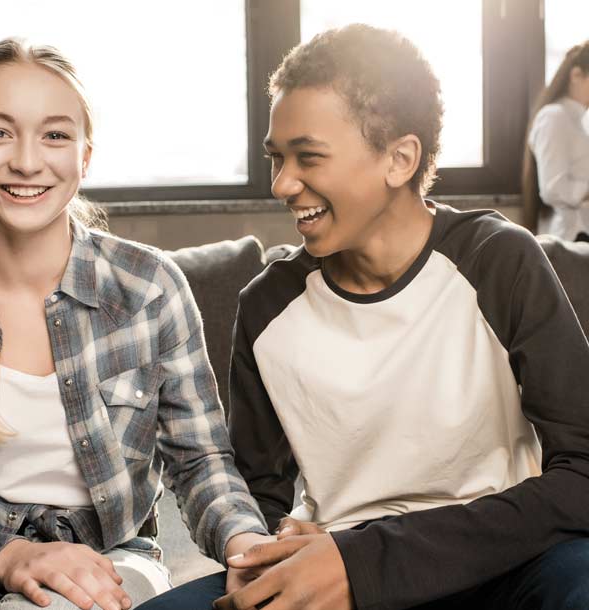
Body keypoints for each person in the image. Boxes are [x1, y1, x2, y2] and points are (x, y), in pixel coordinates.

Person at [138, 24, 589, 610]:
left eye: (309, 157)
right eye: (277, 158)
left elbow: (581, 473)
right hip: (337, 578)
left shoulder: (497, 261)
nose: (282, 184)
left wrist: (369, 558)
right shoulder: (266, 308)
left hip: (504, 562)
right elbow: (257, 500)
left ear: (400, 159)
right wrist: (271, 549)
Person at [0, 38, 269, 610]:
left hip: (115, 557)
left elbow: (200, 460)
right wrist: (7, 558)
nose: (27, 161)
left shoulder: (150, 287)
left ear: (85, 156)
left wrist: (246, 544)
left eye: (55, 135)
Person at [523, 41, 589, 240]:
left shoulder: (578, 121)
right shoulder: (554, 116)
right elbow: (553, 188)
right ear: (576, 75)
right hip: (569, 237)